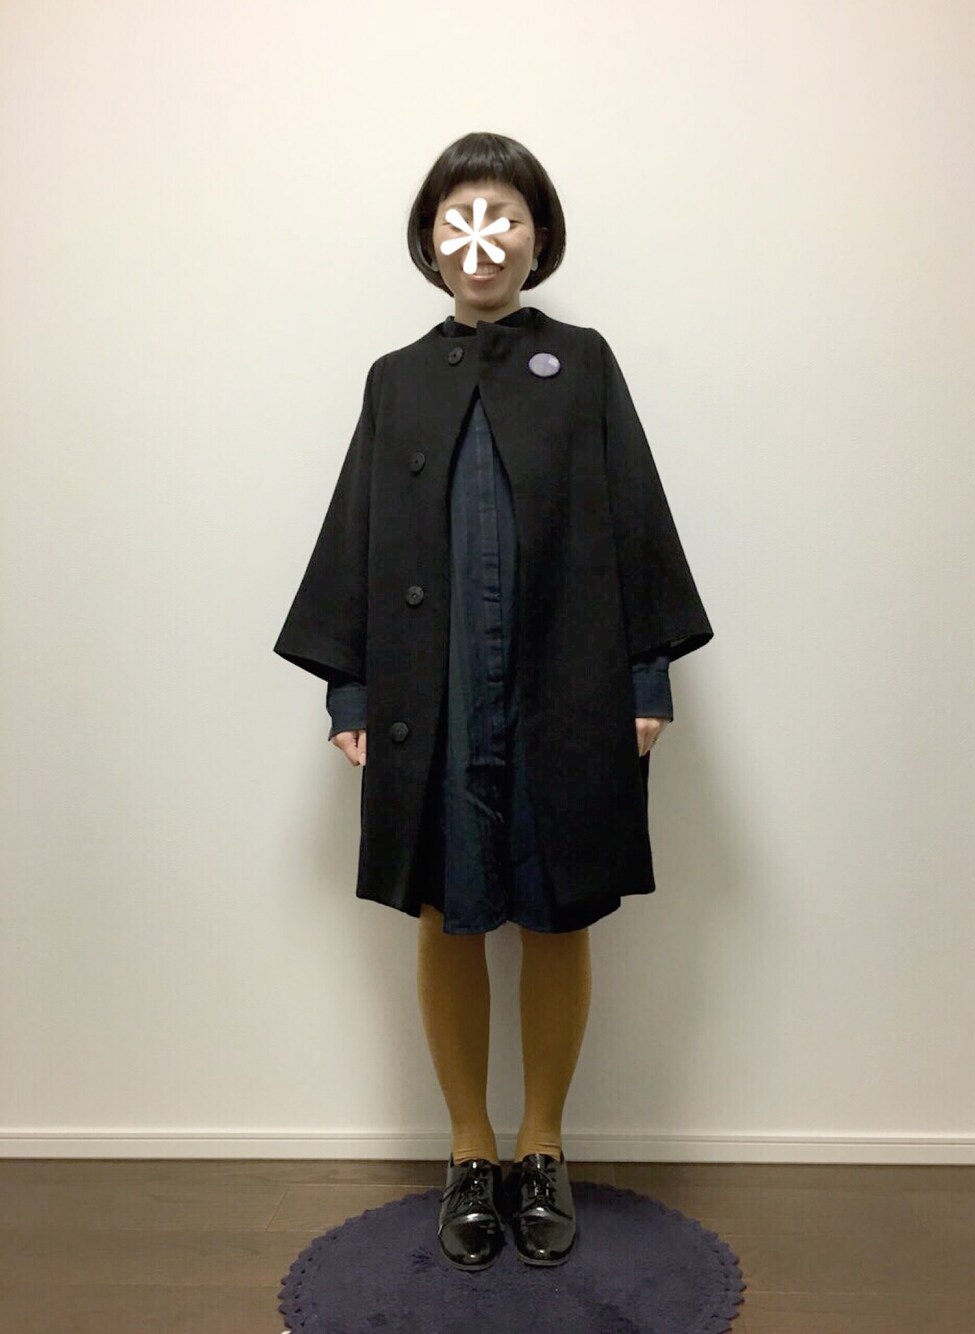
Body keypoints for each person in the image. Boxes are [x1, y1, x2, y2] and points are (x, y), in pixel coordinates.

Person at [273, 131, 714, 1272]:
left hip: (565, 682)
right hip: (436, 692)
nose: (484, 238)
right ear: (432, 240)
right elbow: (358, 534)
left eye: (504, 216)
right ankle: (470, 1149)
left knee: (559, 909)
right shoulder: (396, 379)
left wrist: (645, 674)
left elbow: (634, 517)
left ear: (536, 236)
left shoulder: (585, 363)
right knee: (448, 910)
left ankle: (542, 1145)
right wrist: (351, 685)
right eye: (461, 217)